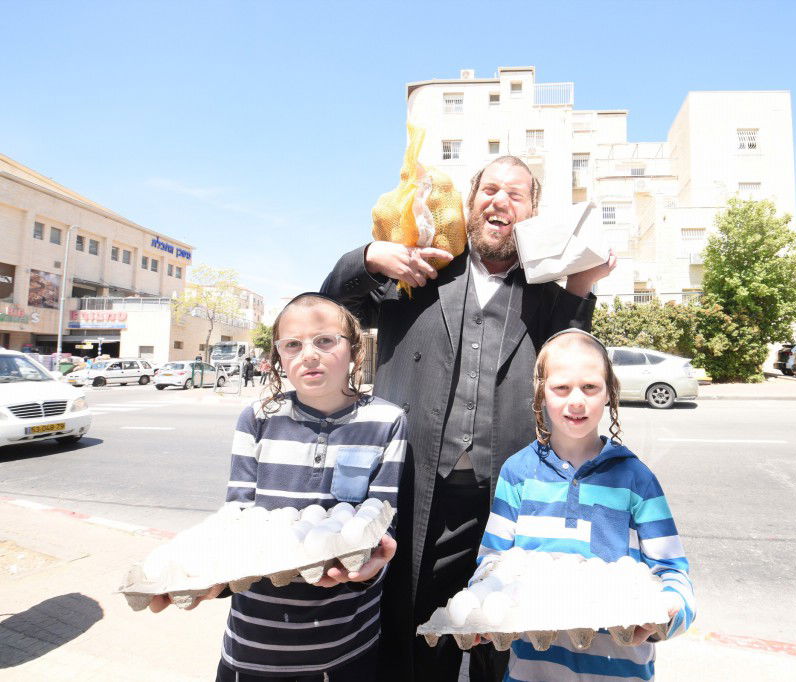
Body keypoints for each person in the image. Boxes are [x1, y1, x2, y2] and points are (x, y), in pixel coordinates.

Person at [320, 156, 615, 682]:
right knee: (418, 638)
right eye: (490, 189)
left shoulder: (546, 289)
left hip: (507, 502)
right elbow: (329, 310)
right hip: (418, 495)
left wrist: (582, 287)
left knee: (501, 637)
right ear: (470, 204)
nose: (500, 200)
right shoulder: (417, 270)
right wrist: (367, 258)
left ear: (530, 212)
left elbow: (571, 364)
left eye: (516, 194)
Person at [149, 292, 407, 681]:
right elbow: (237, 516)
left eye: (325, 340)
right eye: (293, 344)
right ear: (278, 357)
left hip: (346, 645)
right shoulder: (258, 418)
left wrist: (370, 563)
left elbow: (381, 519)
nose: (309, 354)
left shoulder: (386, 420)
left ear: (354, 350)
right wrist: (209, 574)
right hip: (255, 643)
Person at [470, 329, 696, 681]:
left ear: (609, 392)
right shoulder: (517, 474)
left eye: (590, 387)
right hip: (531, 673)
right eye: (562, 388)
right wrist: (480, 607)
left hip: (620, 673)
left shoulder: (636, 479)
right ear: (541, 392)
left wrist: (666, 611)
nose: (577, 401)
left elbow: (673, 574)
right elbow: (491, 564)